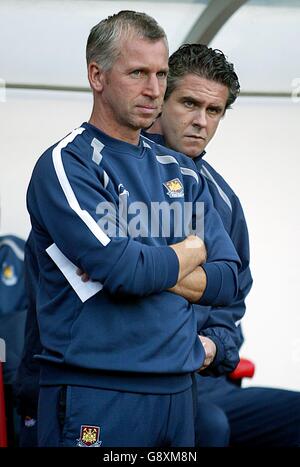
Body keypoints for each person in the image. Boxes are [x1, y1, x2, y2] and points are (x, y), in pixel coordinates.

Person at [25, 12, 241, 447]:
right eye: (138, 73)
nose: (154, 89)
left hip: (177, 392)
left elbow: (227, 280)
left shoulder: (183, 170)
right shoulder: (68, 163)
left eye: (161, 74)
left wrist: (152, 264)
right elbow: (127, 271)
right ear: (97, 75)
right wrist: (192, 248)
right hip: (97, 392)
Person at [146, 43, 300, 447]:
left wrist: (215, 345)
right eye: (189, 103)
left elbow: (232, 300)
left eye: (213, 111)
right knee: (209, 427)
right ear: (159, 98)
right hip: (133, 382)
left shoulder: (224, 199)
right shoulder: (119, 171)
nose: (200, 121)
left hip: (202, 379)